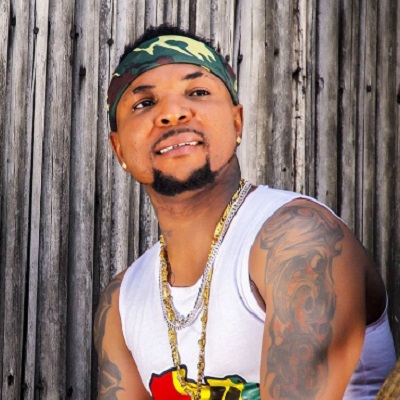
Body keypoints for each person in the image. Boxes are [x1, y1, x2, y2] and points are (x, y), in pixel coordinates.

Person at [94, 24, 397, 400]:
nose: (172, 113)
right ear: (119, 148)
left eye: (198, 92)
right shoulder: (122, 303)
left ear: (237, 121)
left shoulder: (299, 241)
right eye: (144, 103)